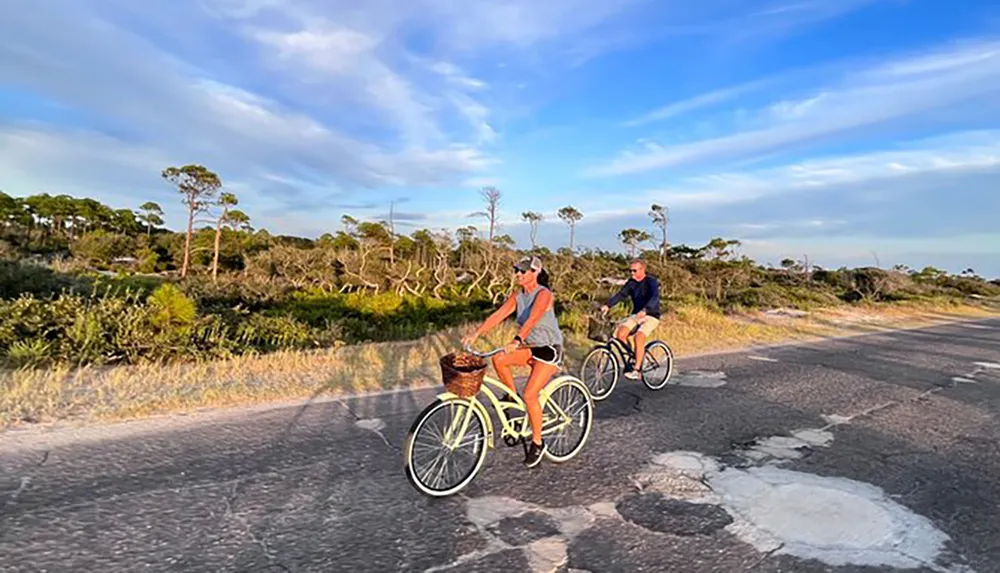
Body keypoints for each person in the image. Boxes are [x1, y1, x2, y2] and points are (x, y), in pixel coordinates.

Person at [462, 255, 564, 468]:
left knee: (530, 394)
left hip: (548, 350)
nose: (518, 274)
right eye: (516, 270)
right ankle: (512, 398)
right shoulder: (518, 295)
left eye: (523, 270)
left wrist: (517, 339)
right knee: (499, 359)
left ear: (534, 273)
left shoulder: (543, 294)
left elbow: (533, 318)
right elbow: (499, 315)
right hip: (529, 348)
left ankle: (538, 442)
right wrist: (476, 333)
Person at [600, 259, 661, 380]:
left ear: (642, 270)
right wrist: (608, 305)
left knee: (639, 336)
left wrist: (646, 310)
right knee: (620, 334)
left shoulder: (651, 281)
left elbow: (655, 297)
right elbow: (620, 295)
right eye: (630, 271)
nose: (632, 273)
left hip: (651, 315)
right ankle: (634, 356)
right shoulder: (631, 283)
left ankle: (637, 370)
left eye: (634, 270)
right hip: (636, 315)